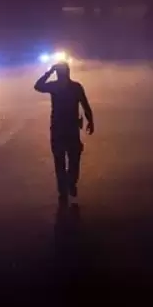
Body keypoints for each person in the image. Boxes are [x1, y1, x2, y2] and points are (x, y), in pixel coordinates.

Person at [34, 61, 94, 205]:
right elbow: (85, 105)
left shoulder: (55, 86)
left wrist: (49, 72)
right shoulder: (75, 87)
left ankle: (64, 189)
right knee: (73, 159)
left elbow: (38, 86)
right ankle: (70, 184)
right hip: (71, 128)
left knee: (60, 161)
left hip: (59, 128)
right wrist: (90, 121)